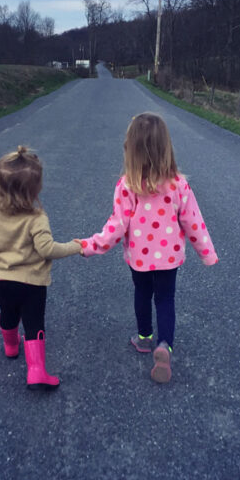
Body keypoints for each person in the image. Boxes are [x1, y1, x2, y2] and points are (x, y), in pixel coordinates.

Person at [78, 112, 218, 383]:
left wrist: (91, 246)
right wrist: (207, 253)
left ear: (130, 150)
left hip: (139, 259)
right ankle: (165, 345)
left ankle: (144, 338)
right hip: (169, 258)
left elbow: (116, 226)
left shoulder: (127, 186)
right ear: (166, 147)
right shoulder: (178, 185)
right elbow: (194, 222)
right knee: (165, 299)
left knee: (142, 293)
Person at [0, 146, 81, 390]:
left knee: (8, 313)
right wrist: (75, 246)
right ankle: (36, 371)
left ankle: (10, 346)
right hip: (32, 283)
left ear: (0, 185)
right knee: (33, 323)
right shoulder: (37, 218)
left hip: (1, 279)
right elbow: (47, 250)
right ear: (35, 189)